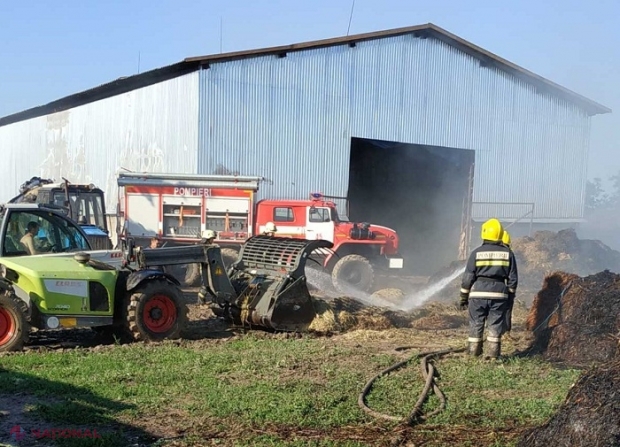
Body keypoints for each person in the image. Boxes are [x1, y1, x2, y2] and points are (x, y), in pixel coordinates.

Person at [459, 218, 518, 359]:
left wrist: (463, 297)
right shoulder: (508, 254)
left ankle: (473, 353)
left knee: (476, 322)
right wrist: (510, 296)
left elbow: (468, 277)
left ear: (484, 232)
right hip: (499, 294)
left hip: (478, 293)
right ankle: (492, 355)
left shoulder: (476, 253)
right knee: (495, 324)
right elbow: (513, 279)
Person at [500, 230, 515, 336]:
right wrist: (511, 292)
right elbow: (513, 276)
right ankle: (505, 332)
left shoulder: (483, 251)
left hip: (480, 289)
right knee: (506, 309)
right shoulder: (509, 254)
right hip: (501, 288)